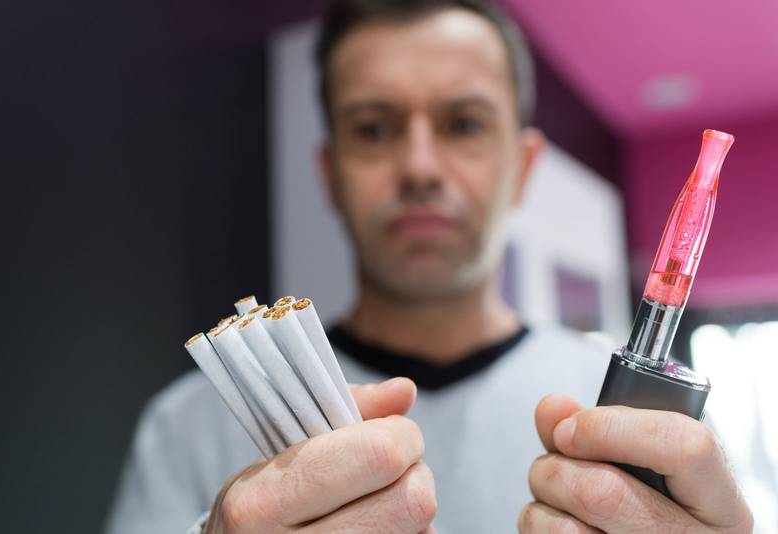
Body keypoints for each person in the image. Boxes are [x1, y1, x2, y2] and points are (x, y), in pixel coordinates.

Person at [105, 1, 754, 532]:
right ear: (329, 174)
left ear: (523, 167)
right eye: (374, 128)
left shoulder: (647, 427)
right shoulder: (192, 424)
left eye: (463, 124)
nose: (419, 167)